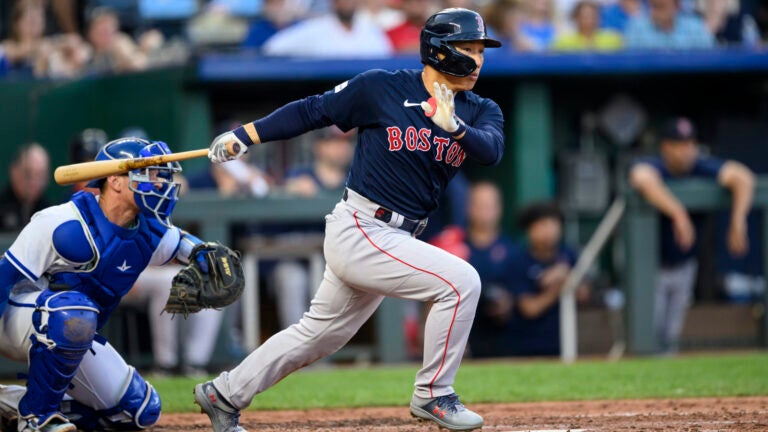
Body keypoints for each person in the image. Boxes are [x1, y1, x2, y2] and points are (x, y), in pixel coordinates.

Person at [195, 8, 504, 432]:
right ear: (440, 51)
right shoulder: (382, 88)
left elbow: (491, 151)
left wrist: (455, 128)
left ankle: (224, 393)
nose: (478, 60)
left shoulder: (481, 109)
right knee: (461, 282)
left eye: (480, 50)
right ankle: (434, 394)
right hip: (362, 225)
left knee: (319, 335)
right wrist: (245, 135)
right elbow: (312, 111)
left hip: (398, 235)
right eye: (468, 49)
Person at [0, 137, 239, 431]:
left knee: (139, 411)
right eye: (148, 174)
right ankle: (36, 418)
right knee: (74, 311)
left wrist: (208, 256)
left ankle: (11, 402)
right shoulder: (64, 223)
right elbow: (4, 278)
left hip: (73, 329)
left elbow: (183, 245)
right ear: (115, 181)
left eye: (160, 174)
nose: (160, 183)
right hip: (14, 319)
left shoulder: (148, 229)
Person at [628, 117, 754, 355]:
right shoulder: (655, 165)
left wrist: (738, 221)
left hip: (684, 264)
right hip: (650, 266)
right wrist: (678, 213)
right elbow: (641, 177)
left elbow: (743, 177)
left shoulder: (701, 166)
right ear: (666, 146)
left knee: (671, 334)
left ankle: (664, 386)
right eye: (679, 144)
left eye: (689, 143)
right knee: (647, 332)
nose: (686, 150)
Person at [507, 201, 589, 356]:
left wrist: (567, 276)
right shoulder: (518, 261)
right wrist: (559, 287)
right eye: (542, 225)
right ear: (529, 230)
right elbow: (529, 309)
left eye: (553, 224)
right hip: (528, 345)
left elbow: (585, 295)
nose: (548, 231)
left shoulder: (570, 256)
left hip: (569, 342)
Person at [463, 182, 519, 358]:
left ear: (499, 209)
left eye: (489, 206)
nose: (484, 211)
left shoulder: (512, 250)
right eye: (478, 205)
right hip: (462, 334)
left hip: (503, 338)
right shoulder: (455, 246)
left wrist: (506, 304)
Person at [261, 0, 393, 58]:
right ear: (333, 2)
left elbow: (386, 58)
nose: (347, 3)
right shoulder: (315, 28)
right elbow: (272, 47)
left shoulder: (371, 31)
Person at [0, 143, 51, 233]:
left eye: (41, 175)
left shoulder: (48, 211)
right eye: (29, 174)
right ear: (14, 170)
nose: (35, 182)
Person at [624, 0, 714, 49]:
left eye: (661, 7)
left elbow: (710, 59)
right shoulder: (637, 28)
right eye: (653, 7)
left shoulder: (695, 27)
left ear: (676, 7)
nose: (655, 13)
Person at [552, 0, 623, 51]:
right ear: (576, 18)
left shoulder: (613, 39)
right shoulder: (563, 42)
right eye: (585, 16)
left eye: (593, 16)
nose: (589, 20)